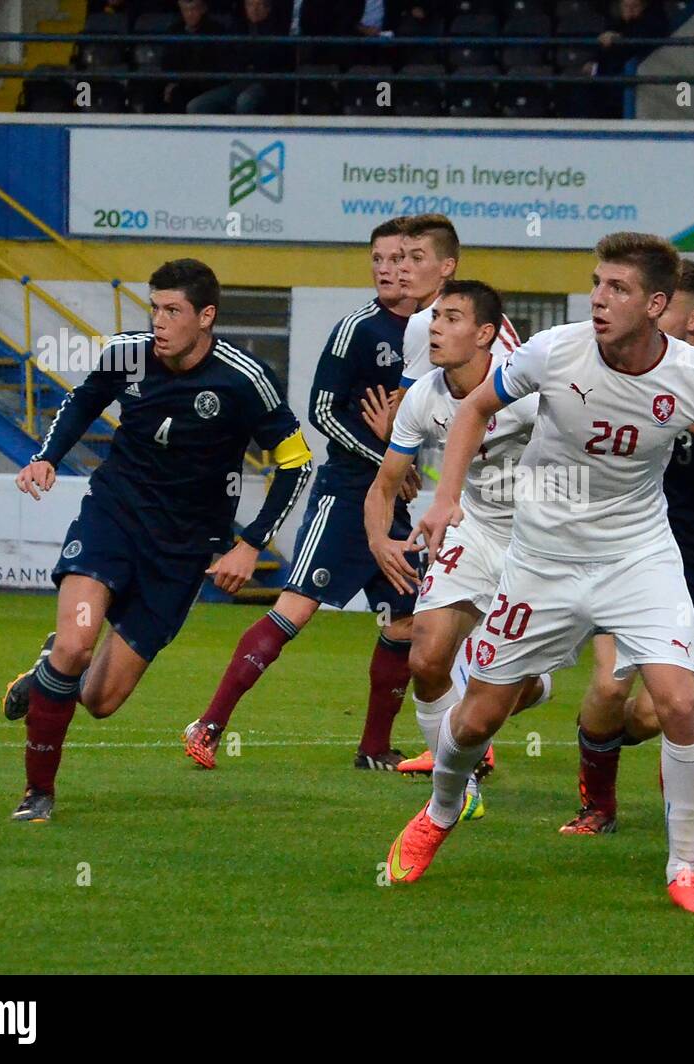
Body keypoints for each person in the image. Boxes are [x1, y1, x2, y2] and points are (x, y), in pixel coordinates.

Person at [383, 232, 694, 915]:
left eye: (618, 289)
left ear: (656, 305)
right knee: (479, 715)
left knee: (681, 704)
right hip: (541, 558)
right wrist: (447, 495)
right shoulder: (555, 350)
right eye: (597, 284)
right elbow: (477, 408)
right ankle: (442, 808)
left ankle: (685, 867)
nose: (599, 299)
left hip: (638, 558)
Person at [2, 259, 312, 822]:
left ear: (206, 316)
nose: (159, 322)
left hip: (182, 552)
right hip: (114, 519)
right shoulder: (128, 353)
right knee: (78, 645)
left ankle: (49, 670)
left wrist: (251, 543)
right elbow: (83, 401)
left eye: (173, 311)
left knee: (99, 701)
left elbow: (296, 462)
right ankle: (37, 793)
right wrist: (47, 457)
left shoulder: (245, 379)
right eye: (155, 308)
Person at [182, 220, 420, 771]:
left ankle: (374, 747)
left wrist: (405, 462)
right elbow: (321, 412)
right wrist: (387, 460)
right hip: (346, 497)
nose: (388, 268)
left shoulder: (429, 334)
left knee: (407, 622)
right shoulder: (357, 330)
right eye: (378, 258)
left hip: (395, 503)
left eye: (399, 258)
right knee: (295, 609)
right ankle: (209, 725)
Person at [562, 258, 694, 836]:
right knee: (609, 684)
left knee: (654, 713)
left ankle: (612, 752)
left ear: (692, 316)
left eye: (659, 307)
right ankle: (598, 804)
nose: (641, 316)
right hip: (634, 546)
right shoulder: (613, 360)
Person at [363, 279, 551, 820]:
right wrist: (380, 539)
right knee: (425, 657)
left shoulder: (529, 391)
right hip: (471, 527)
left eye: (450, 318)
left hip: (539, 544)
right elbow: (385, 483)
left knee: (503, 686)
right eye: (434, 318)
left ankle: (533, 686)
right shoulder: (424, 395)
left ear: (486, 334)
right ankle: (456, 787)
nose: (435, 329)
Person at [395, 214, 521, 393]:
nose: (402, 267)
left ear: (447, 267)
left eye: (417, 258)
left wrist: (388, 419)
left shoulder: (423, 322)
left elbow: (403, 405)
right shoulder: (480, 308)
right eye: (401, 257)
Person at [188, 0, 294, 115]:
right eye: (250, 5)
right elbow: (229, 57)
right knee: (196, 106)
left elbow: (273, 62)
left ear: (268, 8)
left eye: (259, 5)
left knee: (244, 100)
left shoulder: (278, 31)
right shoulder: (238, 28)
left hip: (265, 84)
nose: (254, 9)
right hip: (238, 83)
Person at [163, 0, 229, 113]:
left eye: (193, 9)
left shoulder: (216, 31)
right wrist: (171, 81)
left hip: (205, 84)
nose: (189, 14)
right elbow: (167, 61)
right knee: (150, 91)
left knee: (179, 96)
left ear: (202, 9)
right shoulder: (174, 30)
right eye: (185, 10)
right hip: (180, 82)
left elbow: (216, 66)